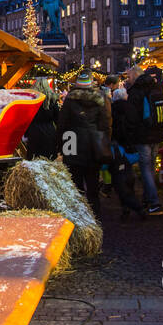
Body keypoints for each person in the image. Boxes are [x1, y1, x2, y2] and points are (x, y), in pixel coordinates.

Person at [58, 72, 110, 217]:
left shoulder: (69, 100)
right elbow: (105, 125)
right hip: (94, 143)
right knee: (93, 181)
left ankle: (79, 214)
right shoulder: (99, 99)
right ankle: (95, 213)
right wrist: (105, 142)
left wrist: (60, 145)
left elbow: (62, 124)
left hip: (72, 142)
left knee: (75, 181)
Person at [125, 66, 163, 217]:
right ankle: (147, 199)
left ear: (135, 77)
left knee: (146, 168)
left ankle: (155, 202)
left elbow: (131, 117)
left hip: (142, 135)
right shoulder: (158, 88)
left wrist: (130, 136)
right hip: (157, 134)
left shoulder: (135, 91)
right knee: (150, 166)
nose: (128, 80)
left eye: (129, 77)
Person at [106, 85, 148, 221]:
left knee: (119, 180)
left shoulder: (113, 110)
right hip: (129, 147)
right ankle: (131, 205)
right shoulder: (132, 109)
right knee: (128, 177)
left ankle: (131, 207)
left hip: (117, 149)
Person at [22, 76, 60, 159]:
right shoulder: (52, 100)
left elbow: (26, 118)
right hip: (49, 132)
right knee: (49, 160)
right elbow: (58, 119)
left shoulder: (30, 100)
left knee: (34, 161)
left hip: (34, 132)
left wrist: (25, 134)